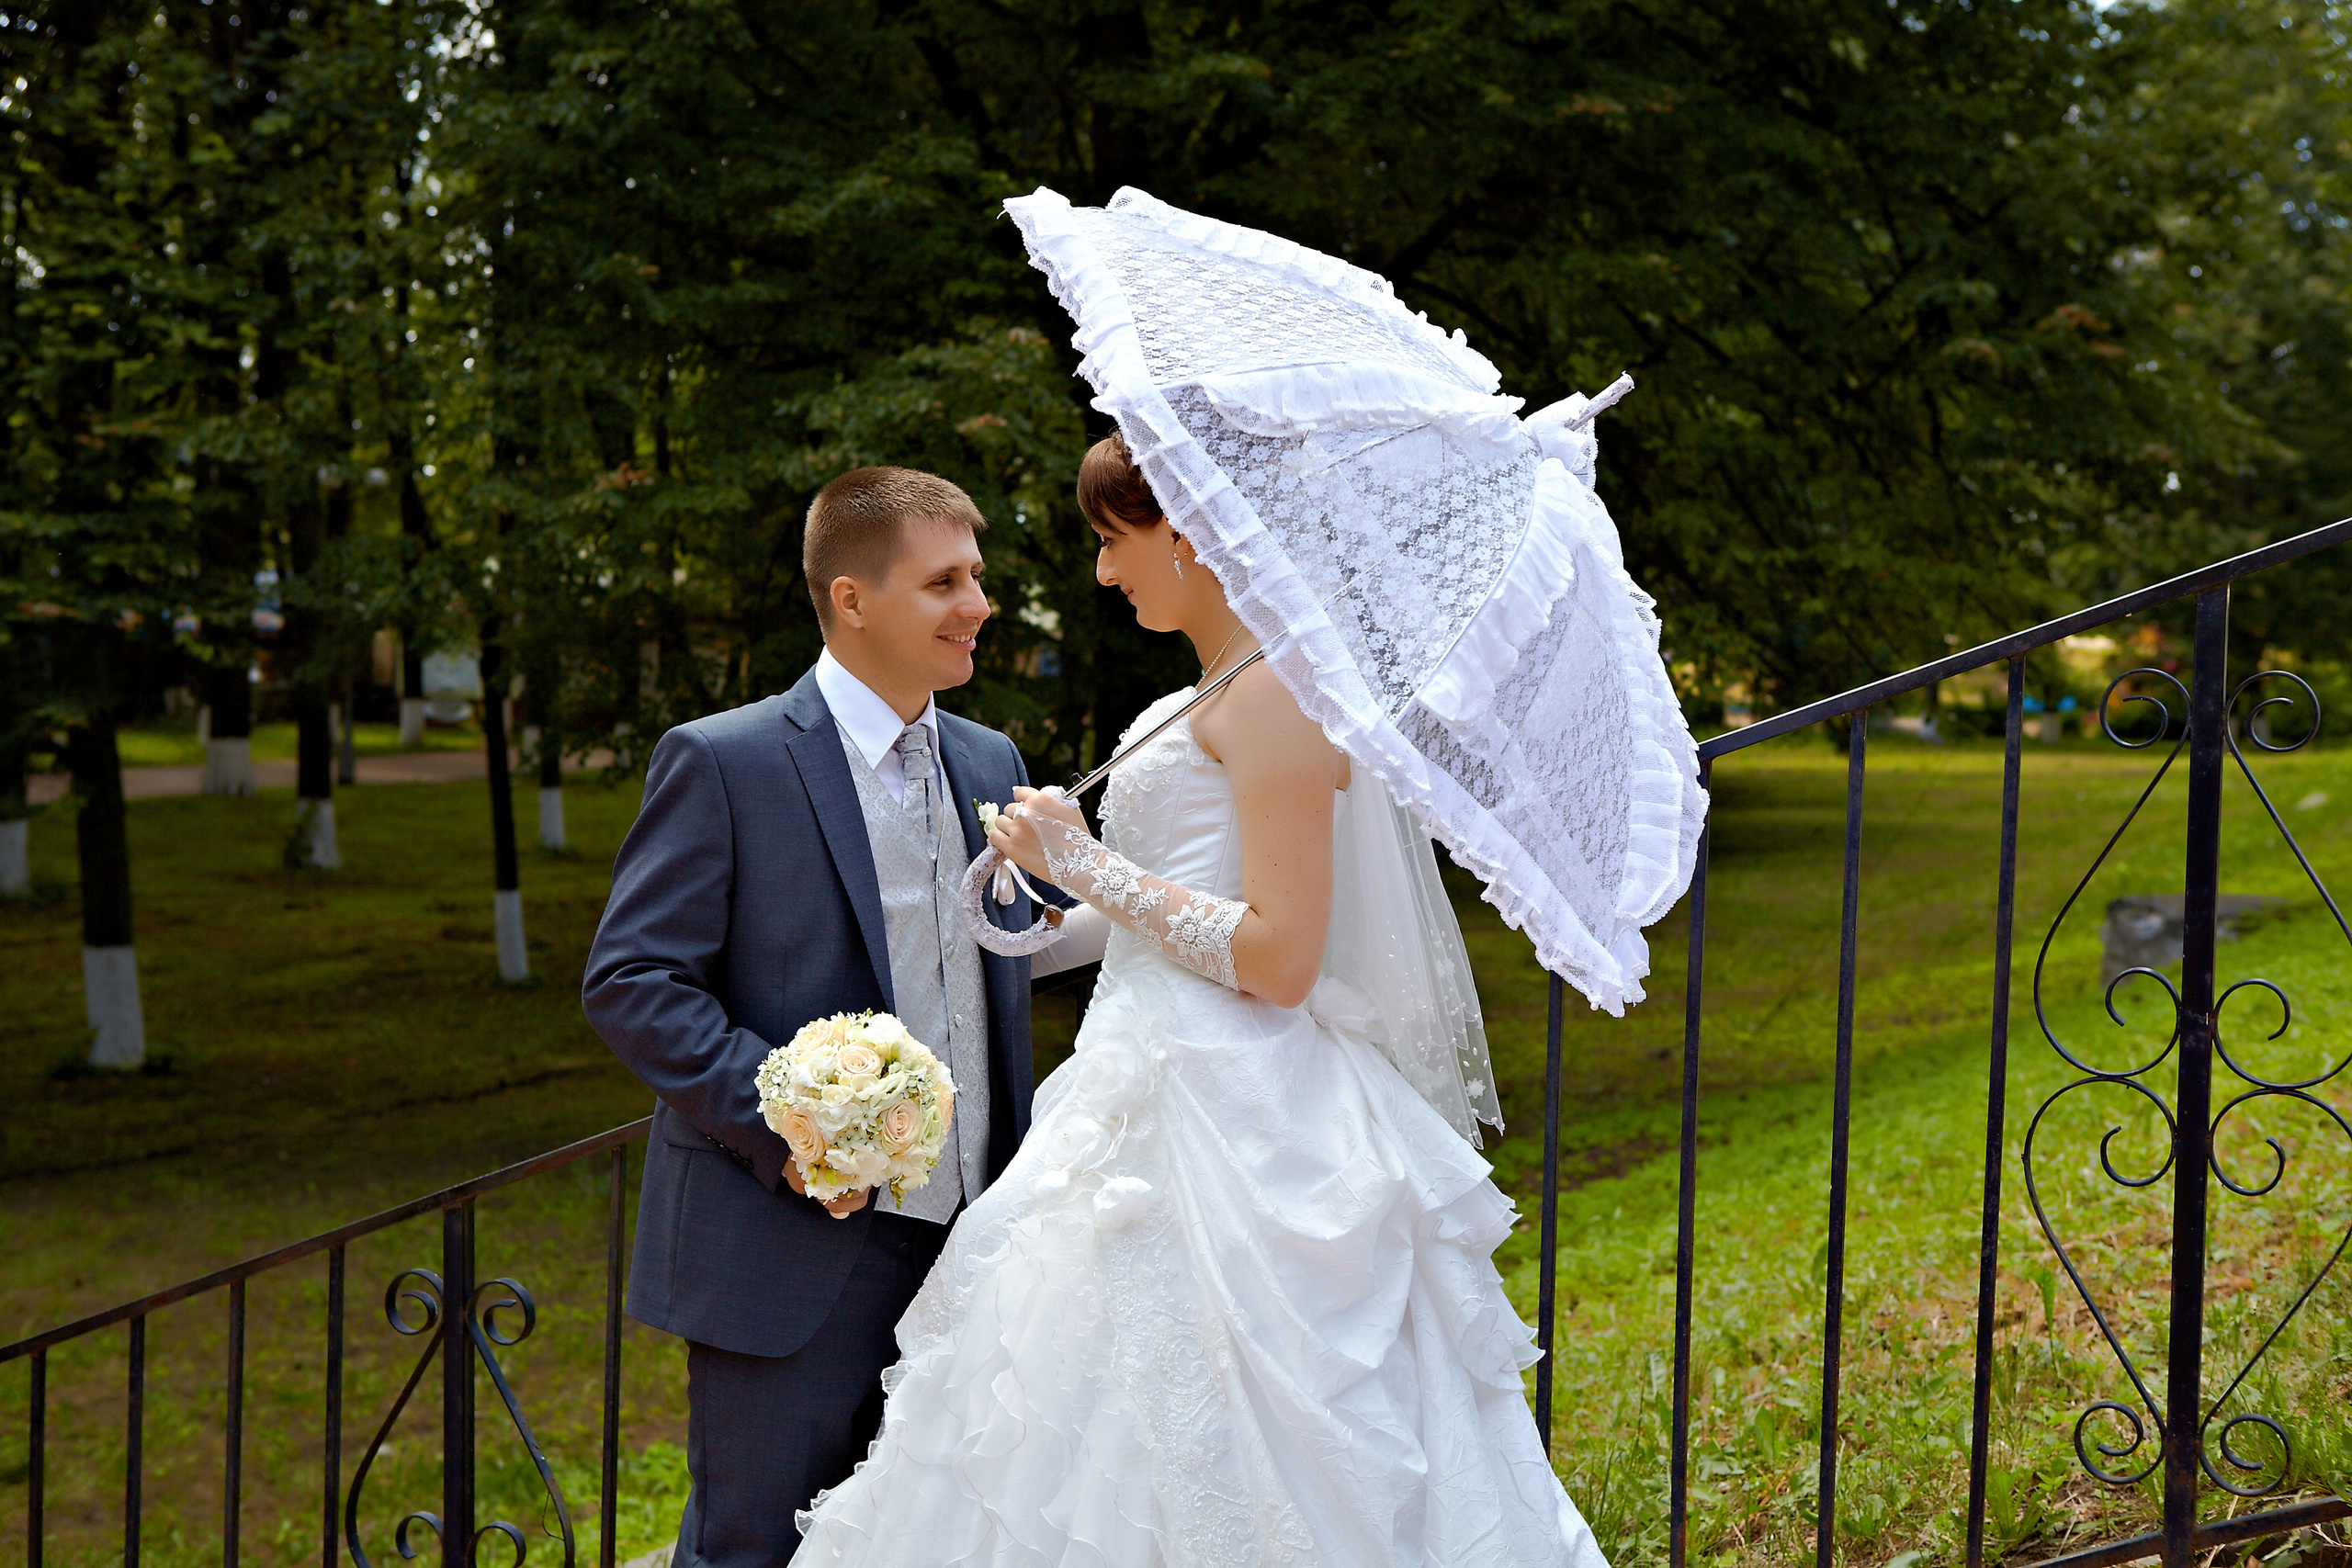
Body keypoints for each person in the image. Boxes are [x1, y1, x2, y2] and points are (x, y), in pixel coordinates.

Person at [791, 434, 1611, 1566]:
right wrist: (1012, 929)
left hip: (1239, 1112)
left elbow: (1280, 956)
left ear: (1182, 534)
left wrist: (1086, 867)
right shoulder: (1198, 696)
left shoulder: (1279, 695)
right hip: (1136, 1077)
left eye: (1111, 541)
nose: (1103, 571)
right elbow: (1155, 921)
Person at [582, 468, 1048, 1568]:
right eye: (945, 582)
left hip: (973, 1246)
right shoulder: (724, 760)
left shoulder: (991, 763)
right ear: (852, 598)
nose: (978, 605)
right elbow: (633, 981)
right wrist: (796, 1122)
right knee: (755, 1548)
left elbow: (1011, 954)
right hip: (786, 1251)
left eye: (975, 577)